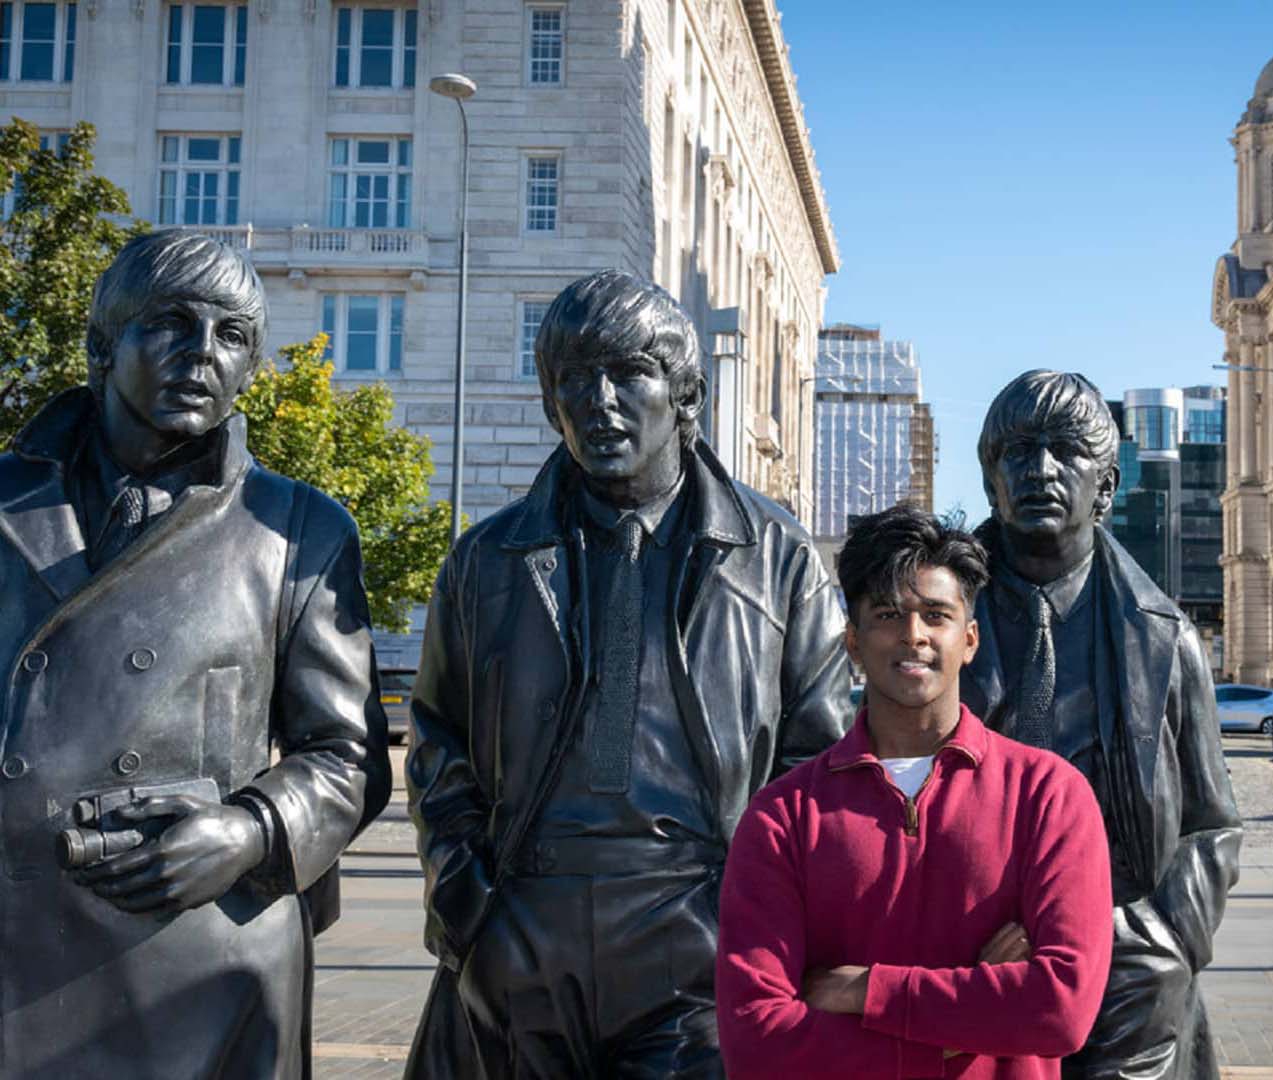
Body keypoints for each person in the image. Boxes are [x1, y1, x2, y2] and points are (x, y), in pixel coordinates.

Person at [405, 269, 851, 1078]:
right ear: (550, 403)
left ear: (685, 396)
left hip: (698, 928)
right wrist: (464, 900)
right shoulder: (486, 559)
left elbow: (816, 765)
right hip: (522, 921)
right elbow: (437, 740)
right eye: (575, 379)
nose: (599, 401)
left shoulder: (778, 559)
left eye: (627, 374)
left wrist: (761, 923)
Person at [0, 230, 391, 1077]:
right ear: (103, 346)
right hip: (19, 945)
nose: (201, 354)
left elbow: (347, 755)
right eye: (170, 325)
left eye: (231, 336)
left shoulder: (298, 529)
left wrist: (253, 830)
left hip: (202, 956)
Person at [717, 504, 1113, 1078]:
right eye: (887, 614)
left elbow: (1061, 1011)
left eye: (935, 614)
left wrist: (868, 993)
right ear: (852, 641)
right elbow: (754, 1040)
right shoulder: (783, 816)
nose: (914, 635)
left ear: (970, 638)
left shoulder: (1048, 796)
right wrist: (973, 1022)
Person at [963, 371, 1241, 1080]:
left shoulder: (1167, 639)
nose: (1040, 471)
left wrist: (1164, 936)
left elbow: (1212, 823)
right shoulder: (936, 620)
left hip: (1128, 962)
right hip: (965, 958)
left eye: (1064, 451)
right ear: (991, 480)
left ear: (1108, 486)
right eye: (1018, 454)